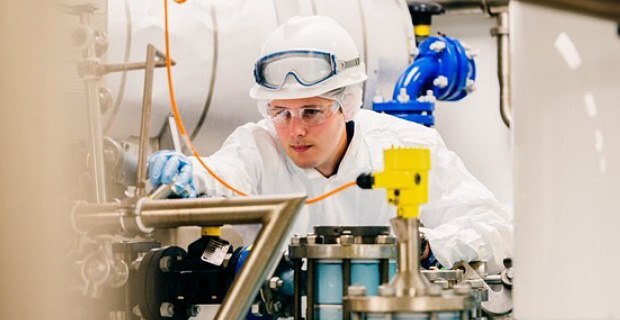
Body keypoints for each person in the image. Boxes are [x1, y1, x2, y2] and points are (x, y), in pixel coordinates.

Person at [148, 15, 512, 272]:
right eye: (281, 112)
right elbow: (223, 176)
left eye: (311, 112)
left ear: (347, 104)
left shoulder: (405, 146)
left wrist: (427, 246)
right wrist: (191, 174)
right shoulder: (257, 146)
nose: (295, 130)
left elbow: (494, 227)